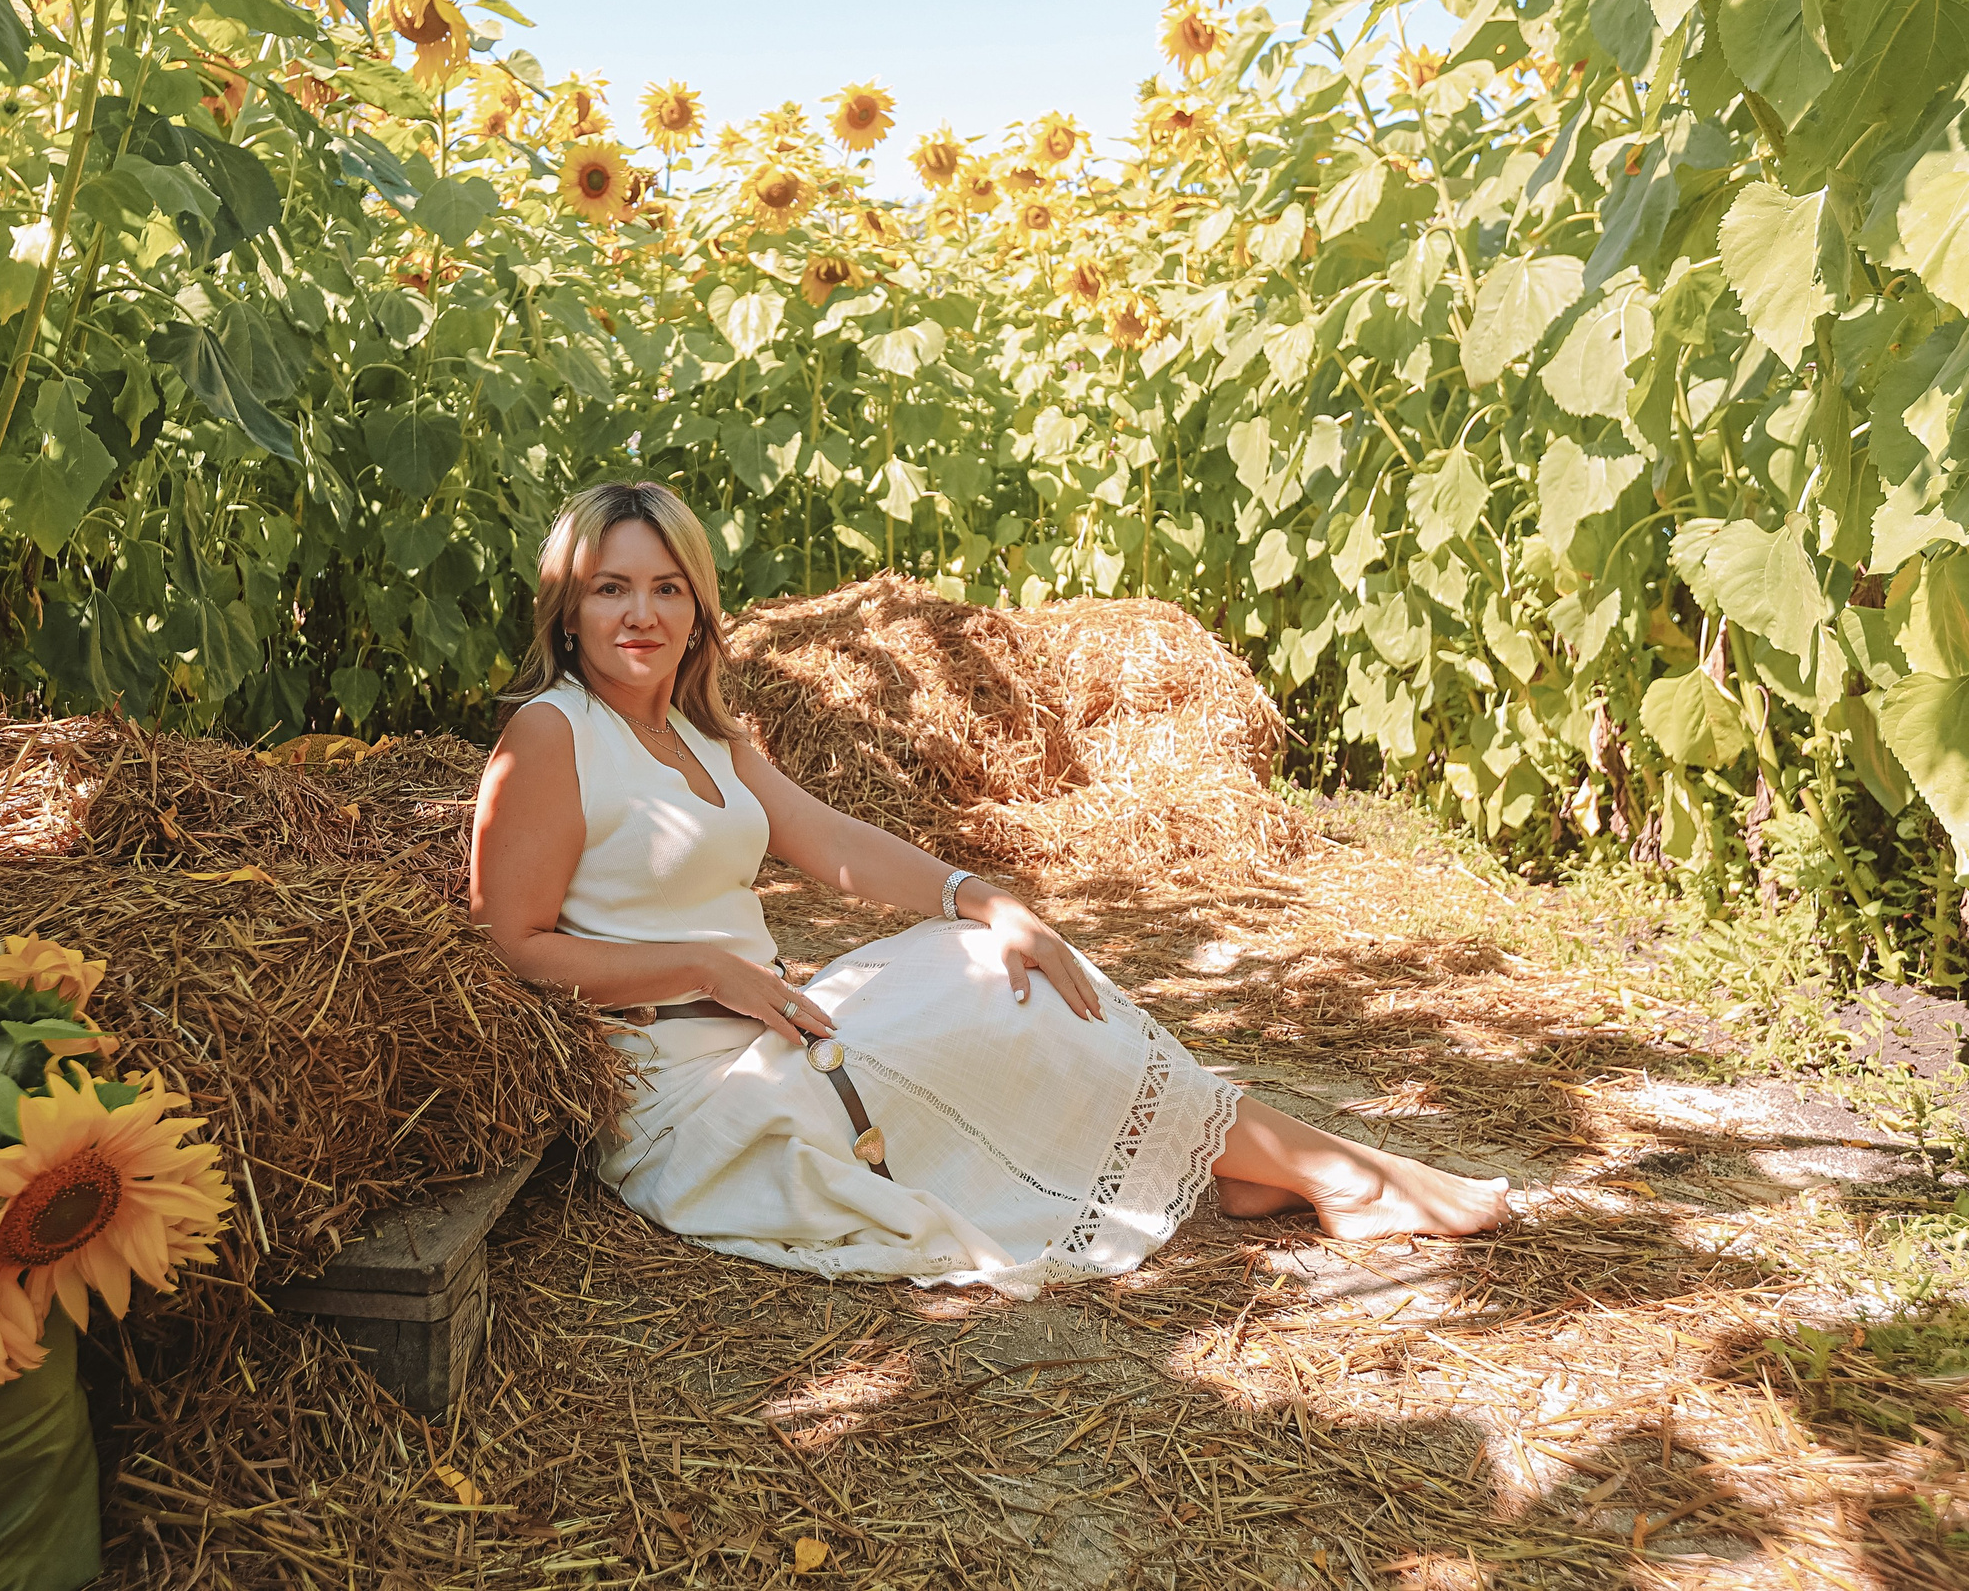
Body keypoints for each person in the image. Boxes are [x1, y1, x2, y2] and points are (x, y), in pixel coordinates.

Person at [469, 481, 1511, 1298]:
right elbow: (509, 942)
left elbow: (825, 838)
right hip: (687, 1089)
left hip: (772, 1024)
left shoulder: (703, 731)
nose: (640, 613)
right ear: (569, 607)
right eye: (611, 587)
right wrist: (710, 967)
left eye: (666, 586)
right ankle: (1330, 1172)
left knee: (988, 959)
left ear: (698, 606)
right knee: (974, 1008)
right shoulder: (553, 734)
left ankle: (1270, 1159)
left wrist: (982, 896)